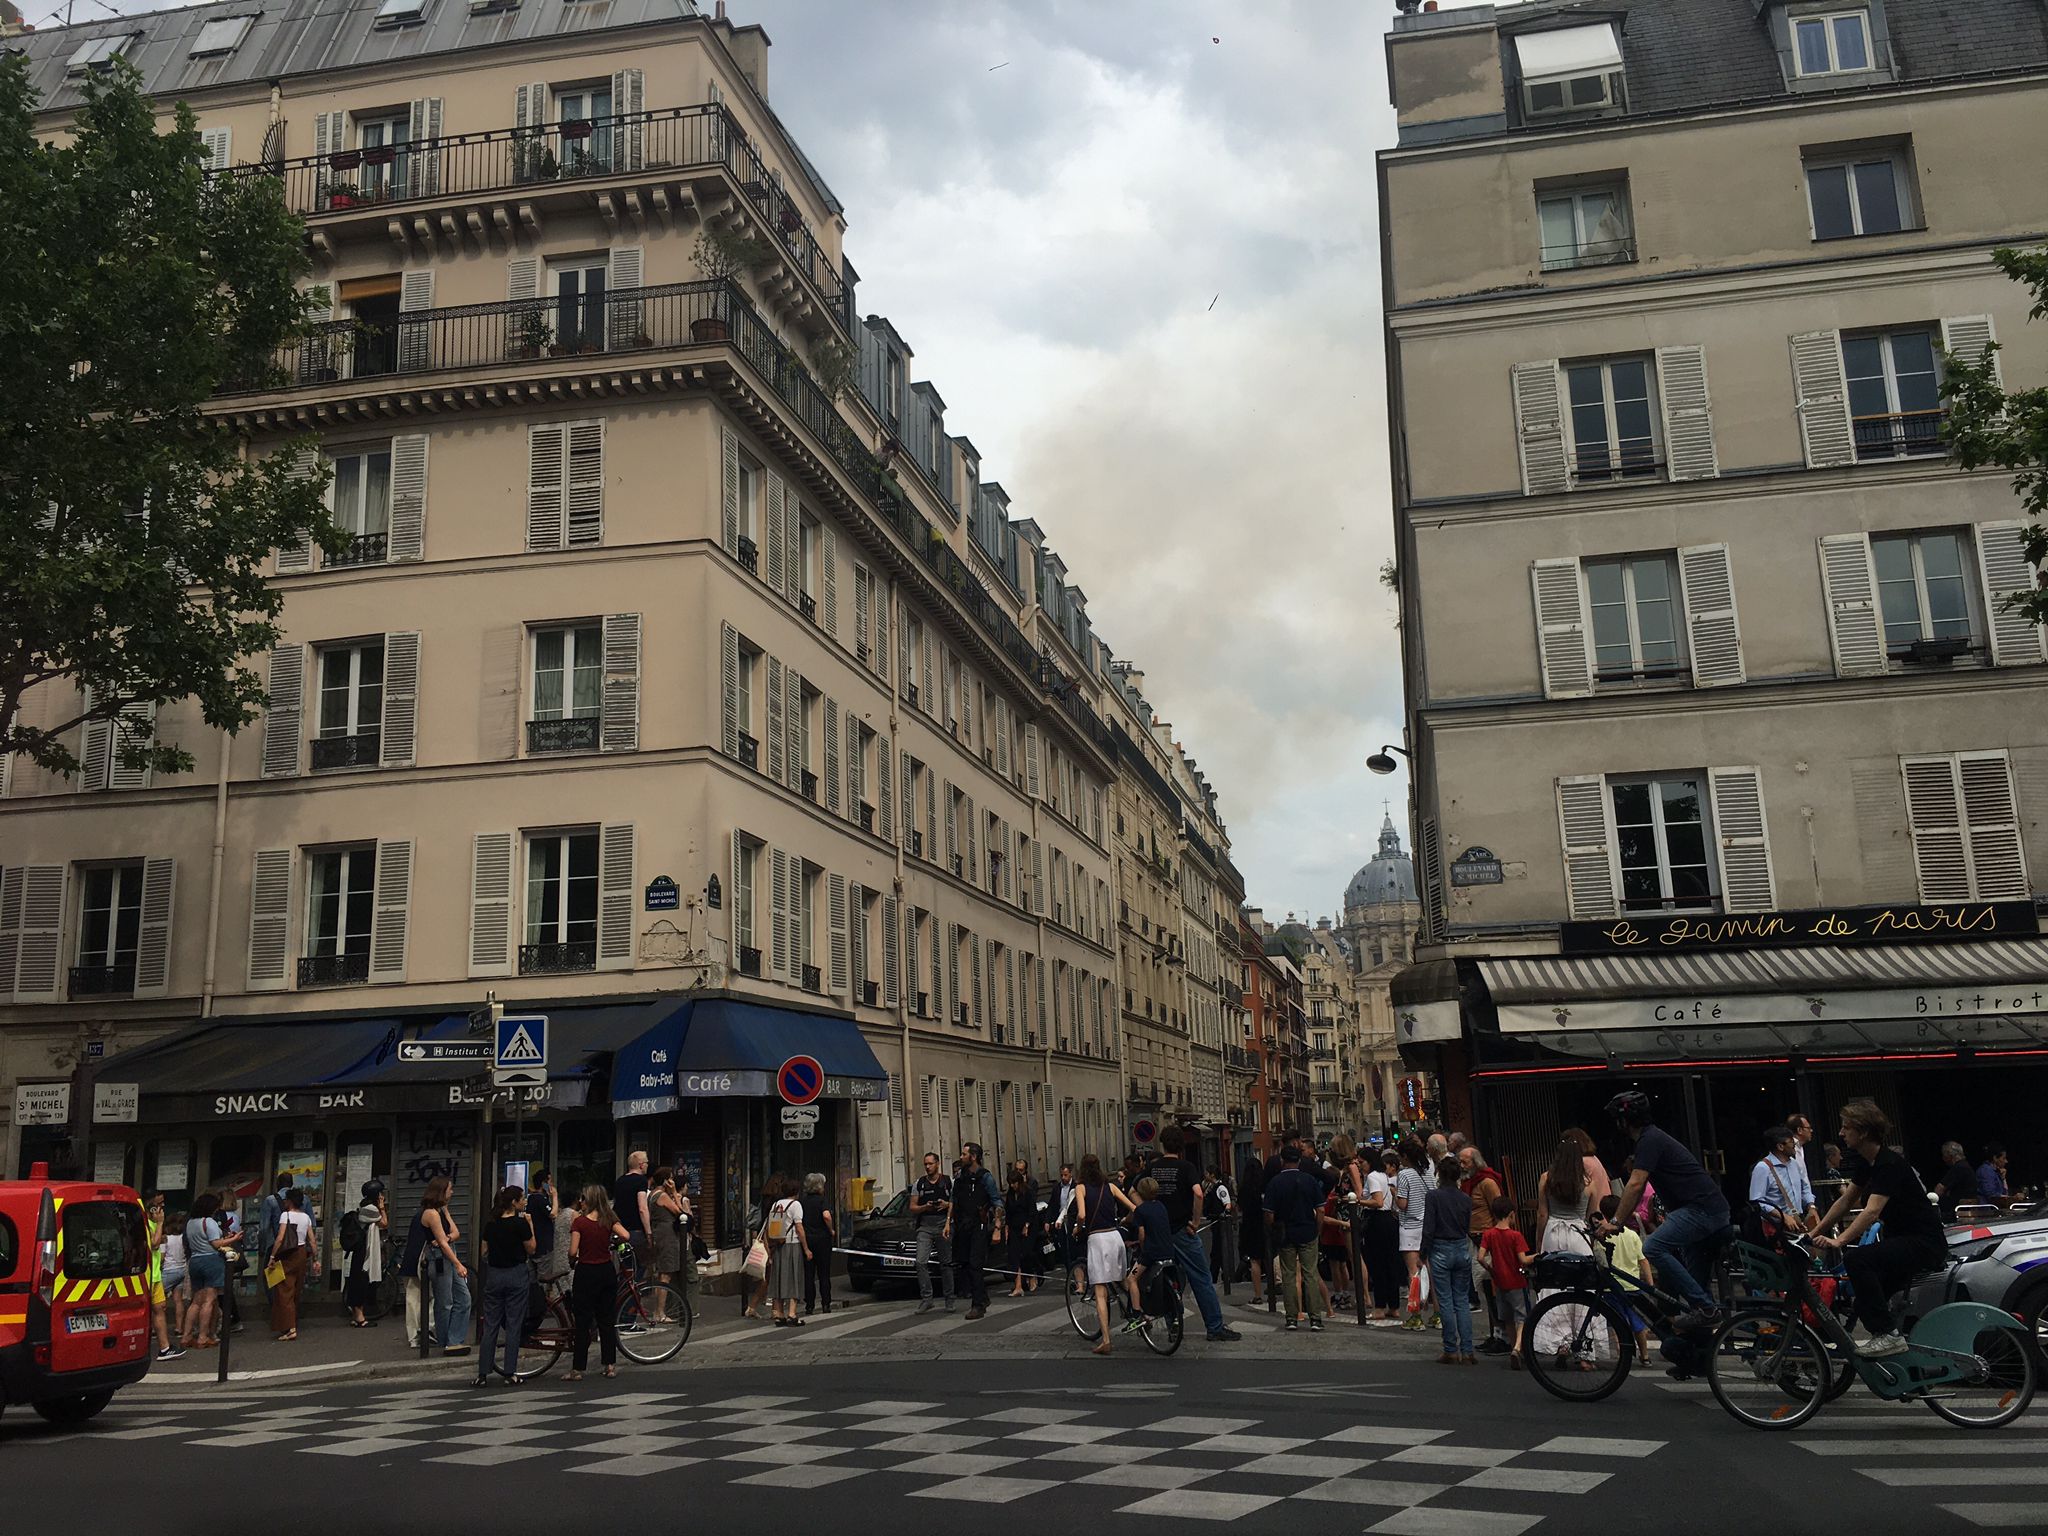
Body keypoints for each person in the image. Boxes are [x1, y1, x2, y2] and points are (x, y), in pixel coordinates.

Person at [1815, 1098, 1948, 1357]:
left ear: (1863, 1132)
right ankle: (1894, 1347)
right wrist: (1813, 1232)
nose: (1841, 1133)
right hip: (1905, 1240)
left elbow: (1871, 1211)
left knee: (1857, 1260)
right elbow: (1845, 1200)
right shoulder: (1869, 1162)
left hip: (1923, 1243)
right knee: (1864, 1301)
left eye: (1846, 1127)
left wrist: (1839, 1241)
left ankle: (1888, 1335)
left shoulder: (1888, 1164)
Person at [1609, 1090, 1731, 1330]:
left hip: (1700, 1210)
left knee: (1653, 1247)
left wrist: (1615, 1222)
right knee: (1697, 1288)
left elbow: (1635, 1183)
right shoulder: (1653, 1138)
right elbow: (1638, 1187)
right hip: (1711, 1212)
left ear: (1625, 1119)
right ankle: (1700, 1356)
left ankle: (1707, 1309)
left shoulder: (1649, 1140)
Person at [1147, 1125, 1241, 1344]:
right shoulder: (1186, 1167)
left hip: (1160, 1232)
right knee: (1201, 1278)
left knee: (1167, 1278)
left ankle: (1173, 1325)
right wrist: (1196, 1221)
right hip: (1182, 1229)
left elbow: (1134, 1190)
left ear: (1162, 1143)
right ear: (1180, 1146)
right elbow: (1198, 1193)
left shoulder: (1153, 1168)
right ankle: (1214, 1327)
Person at [1075, 1153, 1140, 1355]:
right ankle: (1139, 1311)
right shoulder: (1110, 1186)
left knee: (1100, 1291)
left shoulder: (1080, 1188)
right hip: (1115, 1237)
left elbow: (1082, 1214)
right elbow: (1134, 1207)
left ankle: (1106, 1340)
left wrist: (1078, 1228)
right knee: (1123, 1279)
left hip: (1098, 1240)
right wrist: (1125, 1221)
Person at [476, 1185, 536, 1386]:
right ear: (514, 1202)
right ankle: (510, 1372)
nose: (524, 1201)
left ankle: (483, 1373)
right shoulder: (520, 1224)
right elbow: (532, 1248)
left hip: (494, 1274)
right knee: (513, 1324)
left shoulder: (491, 1224)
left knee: (491, 1324)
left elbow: (484, 1252)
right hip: (516, 1273)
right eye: (522, 1198)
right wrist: (531, 1224)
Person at [566, 1185, 628, 1380]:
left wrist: (572, 1260)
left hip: (586, 1272)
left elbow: (572, 1251)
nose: (581, 1201)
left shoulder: (580, 1222)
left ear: (589, 1200)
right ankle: (609, 1365)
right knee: (606, 1320)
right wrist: (613, 1242)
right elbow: (625, 1235)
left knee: (583, 1321)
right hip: (606, 1271)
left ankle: (578, 1369)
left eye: (583, 1198)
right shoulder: (608, 1219)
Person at [1264, 1143, 1326, 1333]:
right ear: (1299, 1161)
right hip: (1308, 1230)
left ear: (1282, 1161)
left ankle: (1292, 1318)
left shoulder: (1275, 1183)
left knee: (1289, 1276)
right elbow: (1321, 1209)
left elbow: (1268, 1213)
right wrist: (1318, 1228)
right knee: (1310, 1274)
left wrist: (1274, 1228)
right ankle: (1315, 1318)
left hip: (1286, 1233)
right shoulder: (1309, 1180)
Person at [1423, 1155, 1475, 1365]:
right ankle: (1468, 1350)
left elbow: (1429, 1227)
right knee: (1462, 1300)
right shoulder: (1466, 1198)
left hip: (1441, 1247)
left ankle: (1450, 1349)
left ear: (1440, 1175)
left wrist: (1422, 1254)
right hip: (1461, 1246)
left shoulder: (1434, 1197)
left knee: (1445, 1300)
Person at [1594, 1194, 1652, 1367]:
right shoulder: (1632, 1235)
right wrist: (1650, 1284)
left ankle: (1624, 1356)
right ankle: (1645, 1355)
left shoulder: (1603, 1236)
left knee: (1620, 1324)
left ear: (1603, 1214)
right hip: (1633, 1286)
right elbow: (1643, 1260)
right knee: (1638, 1324)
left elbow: (1599, 1261)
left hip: (1612, 1287)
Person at [419, 1175, 473, 1355]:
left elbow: (454, 1233)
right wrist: (458, 1263)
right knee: (445, 1302)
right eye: (450, 1188)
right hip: (440, 1258)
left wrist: (447, 1215)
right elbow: (442, 1243)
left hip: (447, 1253)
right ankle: (447, 1341)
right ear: (442, 1191)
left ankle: (454, 1339)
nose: (452, 1191)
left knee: (464, 1298)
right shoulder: (431, 1214)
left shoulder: (440, 1211)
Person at [1459, 1145, 1505, 1352]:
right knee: (1487, 1289)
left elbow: (1500, 1211)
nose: (1461, 1165)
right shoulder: (1469, 1183)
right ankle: (1494, 1332)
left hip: (1488, 1240)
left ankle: (1502, 1335)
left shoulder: (1486, 1182)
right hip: (1474, 1240)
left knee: (1495, 1290)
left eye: (1465, 1162)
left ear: (1475, 1163)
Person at [948, 1142, 1001, 1321]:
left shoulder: (985, 1177)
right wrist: (948, 1223)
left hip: (979, 1225)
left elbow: (997, 1202)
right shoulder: (960, 1177)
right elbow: (953, 1201)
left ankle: (977, 1305)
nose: (961, 1157)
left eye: (964, 1154)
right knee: (964, 1264)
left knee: (975, 1264)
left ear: (974, 1156)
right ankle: (983, 1297)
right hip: (963, 1225)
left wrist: (998, 1228)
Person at [1479, 1197, 1533, 1368]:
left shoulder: (1489, 1234)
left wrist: (1490, 1269)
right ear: (1511, 1214)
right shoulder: (1516, 1236)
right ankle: (1518, 1348)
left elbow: (1480, 1257)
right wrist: (1538, 1255)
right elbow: (1523, 1260)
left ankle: (1512, 1347)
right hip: (1517, 1281)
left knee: (1507, 1318)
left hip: (1499, 1282)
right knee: (1522, 1317)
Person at [264, 1187, 316, 1341]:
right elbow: (312, 1240)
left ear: (290, 1201)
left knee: (283, 1290)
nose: (285, 1202)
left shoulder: (285, 1215)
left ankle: (290, 1327)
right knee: (295, 1290)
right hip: (301, 1253)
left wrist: (272, 1255)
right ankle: (291, 1323)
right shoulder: (306, 1217)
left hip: (287, 1254)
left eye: (286, 1199)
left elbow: (280, 1238)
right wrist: (315, 1258)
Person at [1749, 1124, 1819, 1235]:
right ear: (1780, 1146)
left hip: (1797, 1223)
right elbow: (1757, 1202)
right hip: (1776, 1227)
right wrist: (1783, 1216)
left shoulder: (1795, 1164)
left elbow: (1805, 1188)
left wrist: (1811, 1206)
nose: (1795, 1146)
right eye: (1791, 1142)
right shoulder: (1763, 1168)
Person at [909, 1152, 956, 1314]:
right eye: (925, 1164)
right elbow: (912, 1207)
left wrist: (946, 1205)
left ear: (938, 1164)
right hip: (925, 1226)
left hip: (944, 1224)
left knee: (946, 1264)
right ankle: (927, 1299)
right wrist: (925, 1207)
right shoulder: (919, 1184)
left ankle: (949, 1299)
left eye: (930, 1164)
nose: (928, 1167)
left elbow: (956, 1203)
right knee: (920, 1262)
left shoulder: (948, 1182)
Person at [180, 1192, 228, 1349]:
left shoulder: (190, 1223)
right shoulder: (209, 1222)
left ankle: (186, 1336)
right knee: (209, 1299)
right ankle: (203, 1336)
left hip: (195, 1261)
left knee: (196, 1301)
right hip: (211, 1261)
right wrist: (233, 1239)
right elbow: (216, 1243)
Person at [764, 1174, 809, 1326]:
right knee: (794, 1277)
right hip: (792, 1243)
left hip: (778, 1245)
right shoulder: (795, 1205)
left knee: (779, 1278)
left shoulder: (776, 1204)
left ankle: (779, 1314)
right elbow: (799, 1227)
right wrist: (806, 1248)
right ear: (796, 1191)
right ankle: (792, 1313)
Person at [1394, 1137, 1430, 1328]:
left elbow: (1403, 1204)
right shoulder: (1428, 1172)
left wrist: (1394, 1195)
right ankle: (1437, 1315)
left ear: (1405, 1156)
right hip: (1428, 1227)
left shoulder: (1405, 1174)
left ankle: (1416, 1317)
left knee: (1413, 1273)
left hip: (1410, 1227)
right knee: (1431, 1273)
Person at [1363, 1150, 1403, 1323]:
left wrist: (1357, 1200)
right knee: (1390, 1263)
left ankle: (1379, 1307)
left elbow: (1377, 1202)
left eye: (1362, 1161)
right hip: (1390, 1220)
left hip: (1377, 1220)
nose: (1360, 1164)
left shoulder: (1372, 1177)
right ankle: (1393, 1306)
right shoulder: (1384, 1175)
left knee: (1377, 1265)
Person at [144, 1193, 183, 1362]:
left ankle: (165, 1347)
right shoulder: (147, 1225)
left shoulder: (153, 1224)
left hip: (155, 1275)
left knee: (160, 1308)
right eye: (159, 1205)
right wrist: (160, 1223)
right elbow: (154, 1244)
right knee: (152, 1310)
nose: (162, 1209)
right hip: (146, 1276)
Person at [345, 1179, 388, 1328]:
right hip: (365, 1251)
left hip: (361, 1249)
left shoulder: (364, 1206)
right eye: (380, 1193)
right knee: (361, 1281)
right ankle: (359, 1317)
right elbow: (384, 1223)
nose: (382, 1196)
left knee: (359, 1279)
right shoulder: (371, 1208)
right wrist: (382, 1208)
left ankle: (356, 1314)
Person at [647, 1166, 685, 1310]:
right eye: (670, 1178)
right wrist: (675, 1193)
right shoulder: (662, 1196)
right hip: (667, 1235)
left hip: (659, 1233)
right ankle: (660, 1311)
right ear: (665, 1181)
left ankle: (660, 1310)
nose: (672, 1181)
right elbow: (680, 1213)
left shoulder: (652, 1195)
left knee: (662, 1273)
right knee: (666, 1274)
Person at [1237, 1153, 1271, 1309]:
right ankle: (1272, 1288)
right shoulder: (1265, 1185)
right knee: (1269, 1258)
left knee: (1254, 1261)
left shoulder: (1243, 1187)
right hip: (1265, 1224)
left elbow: (1239, 1207)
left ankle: (1258, 1295)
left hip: (1249, 1226)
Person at [1000, 1167, 1040, 1298]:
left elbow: (1032, 1210)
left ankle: (1031, 1273)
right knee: (1014, 1255)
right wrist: (1006, 1227)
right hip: (1014, 1227)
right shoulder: (1010, 1194)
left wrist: (1027, 1225)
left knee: (1026, 1253)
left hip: (1027, 1226)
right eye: (1010, 1183)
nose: (1012, 1186)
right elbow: (1008, 1211)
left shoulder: (1028, 1192)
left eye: (1014, 1183)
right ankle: (1018, 1286)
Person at [800, 1171, 836, 1315]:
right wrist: (831, 1230)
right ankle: (826, 1303)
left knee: (809, 1274)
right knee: (824, 1274)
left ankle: (809, 1305)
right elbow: (826, 1216)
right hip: (822, 1240)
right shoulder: (822, 1200)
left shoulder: (802, 1201)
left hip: (807, 1240)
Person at [613, 1150, 652, 1280]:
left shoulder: (619, 1181)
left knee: (625, 1267)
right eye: (646, 1162)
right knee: (640, 1266)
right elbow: (642, 1208)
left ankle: (621, 1296)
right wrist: (649, 1233)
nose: (647, 1165)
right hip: (636, 1231)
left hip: (621, 1232)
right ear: (641, 1165)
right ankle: (631, 1299)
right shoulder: (641, 1181)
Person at [258, 1173, 292, 1304]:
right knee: (290, 1280)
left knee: (272, 1280)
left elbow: (264, 1227)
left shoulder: (270, 1200)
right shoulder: (303, 1199)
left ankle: (276, 1310)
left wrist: (262, 1247)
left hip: (275, 1246)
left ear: (277, 1184)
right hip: (295, 1246)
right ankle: (289, 1311)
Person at [159, 1204, 190, 1352]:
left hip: (168, 1271)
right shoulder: (183, 1238)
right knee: (178, 1300)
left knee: (159, 1301)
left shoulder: (166, 1239)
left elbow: (162, 1257)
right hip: (181, 1270)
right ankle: (179, 1328)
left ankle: (157, 1328)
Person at [1935, 1141, 1978, 1221]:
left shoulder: (1959, 1168)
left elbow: (1939, 1189)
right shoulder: (1966, 1166)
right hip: (1965, 1210)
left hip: (1958, 1212)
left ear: (1950, 1156)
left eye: (1944, 1155)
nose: (1943, 1159)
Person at [528, 1169, 559, 1277]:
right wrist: (555, 1196)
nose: (551, 1184)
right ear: (543, 1183)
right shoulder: (540, 1199)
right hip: (543, 1247)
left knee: (532, 1282)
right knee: (544, 1282)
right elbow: (553, 1214)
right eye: (549, 1181)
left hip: (533, 1245)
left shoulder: (531, 1198)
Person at [1977, 1143, 2012, 1208]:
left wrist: (2003, 1179)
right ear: (1995, 1158)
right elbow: (1991, 1195)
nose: (2006, 1161)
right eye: (2003, 1158)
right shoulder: (1986, 1170)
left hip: (1997, 1209)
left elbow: (2005, 1193)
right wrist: (2013, 1198)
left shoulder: (1997, 1172)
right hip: (1988, 1211)